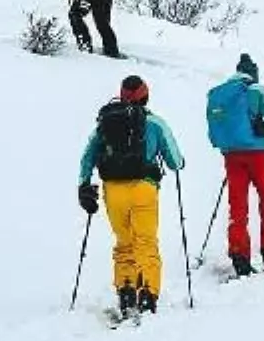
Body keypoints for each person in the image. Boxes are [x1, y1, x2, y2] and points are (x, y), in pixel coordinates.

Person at [78, 75, 185, 317]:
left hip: (113, 190)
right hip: (143, 188)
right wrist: (178, 163)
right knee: (146, 242)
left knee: (124, 243)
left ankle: (126, 293)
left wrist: (84, 184)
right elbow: (175, 162)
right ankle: (147, 294)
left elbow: (88, 155)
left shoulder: (105, 122)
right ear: (145, 96)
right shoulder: (155, 123)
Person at [206, 53, 264, 276]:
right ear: (253, 73)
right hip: (258, 155)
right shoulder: (255, 90)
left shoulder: (220, 93)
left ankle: (238, 253)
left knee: (238, 205)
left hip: (231, 155)